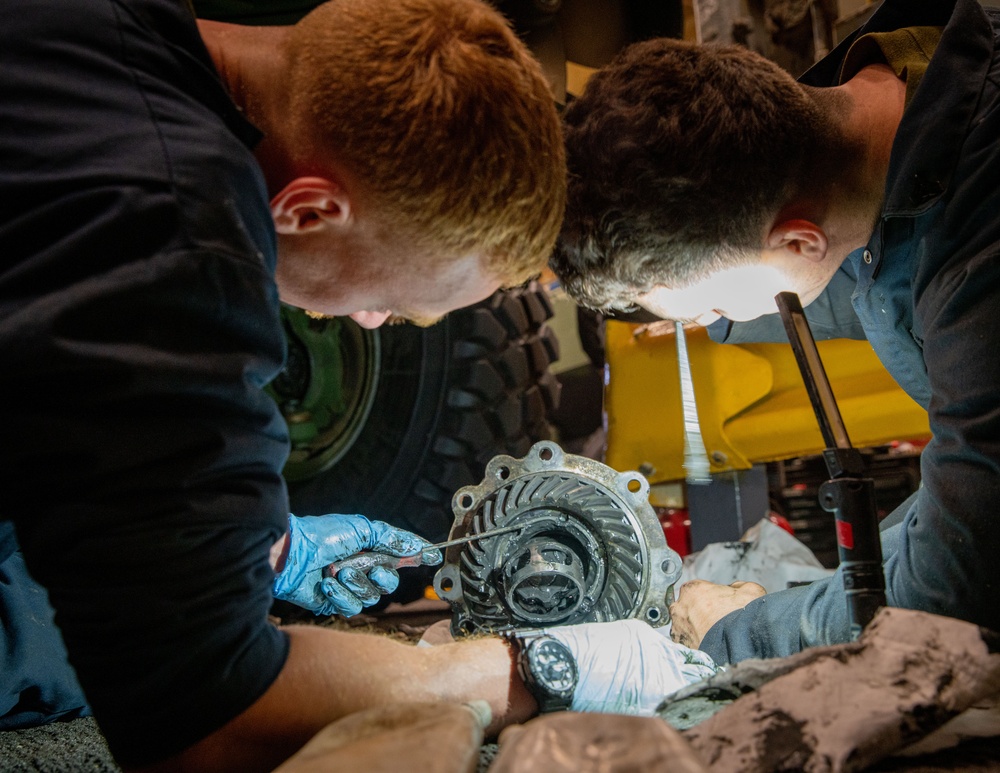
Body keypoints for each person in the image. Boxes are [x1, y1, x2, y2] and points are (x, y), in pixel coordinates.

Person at [1, 0, 721, 770]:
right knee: (61, 651)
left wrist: (274, 553)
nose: (372, 322)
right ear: (308, 210)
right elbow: (208, 719)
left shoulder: (87, 31)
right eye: (392, 304)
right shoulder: (180, 231)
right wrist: (511, 672)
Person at [552, 0, 1000, 664]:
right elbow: (886, 275)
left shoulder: (979, 252)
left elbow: (949, 596)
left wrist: (740, 625)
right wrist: (725, 307)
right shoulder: (893, 115)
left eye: (717, 295)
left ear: (797, 239)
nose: (710, 315)